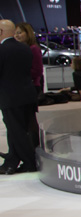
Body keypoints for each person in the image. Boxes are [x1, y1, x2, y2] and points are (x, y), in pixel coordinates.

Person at [0, 19, 38, 174]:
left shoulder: (2, 50)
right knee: (18, 129)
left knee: (16, 131)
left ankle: (30, 162)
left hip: (10, 97)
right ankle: (11, 161)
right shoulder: (25, 48)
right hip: (27, 94)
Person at [14, 22, 43, 151]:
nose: (17, 35)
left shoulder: (33, 49)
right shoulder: (21, 49)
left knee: (30, 120)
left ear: (28, 33)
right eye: (15, 33)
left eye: (20, 33)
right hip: (23, 87)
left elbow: (37, 71)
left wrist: (18, 73)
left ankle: (34, 148)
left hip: (31, 87)